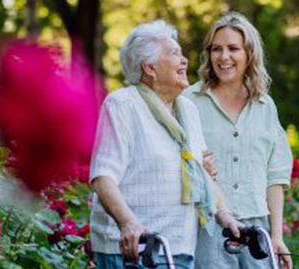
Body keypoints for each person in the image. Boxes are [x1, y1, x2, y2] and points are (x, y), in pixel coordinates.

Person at [89, 19, 240, 269]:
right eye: (174, 54)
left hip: (179, 248)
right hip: (134, 251)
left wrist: (226, 216)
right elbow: (103, 177)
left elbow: (201, 172)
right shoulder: (123, 105)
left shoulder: (187, 110)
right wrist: (128, 222)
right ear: (150, 67)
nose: (185, 61)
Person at [184, 12, 294, 269]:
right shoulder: (189, 101)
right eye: (216, 49)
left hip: (257, 229)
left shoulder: (265, 106)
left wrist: (276, 237)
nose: (224, 57)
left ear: (249, 55)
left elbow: (275, 176)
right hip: (208, 228)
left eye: (233, 48)